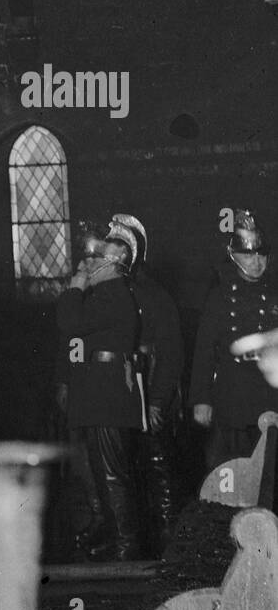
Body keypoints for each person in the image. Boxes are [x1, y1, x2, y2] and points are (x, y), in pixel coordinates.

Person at [56, 217, 145, 560]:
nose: (88, 263)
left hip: (108, 397)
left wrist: (76, 284)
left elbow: (69, 322)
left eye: (95, 259)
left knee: (111, 475)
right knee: (102, 472)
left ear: (116, 260)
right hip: (98, 395)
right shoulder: (105, 295)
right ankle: (116, 538)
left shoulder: (114, 295)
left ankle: (128, 547)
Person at [109, 214, 183, 555]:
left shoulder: (156, 297)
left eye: (121, 250)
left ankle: (168, 540)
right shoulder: (108, 293)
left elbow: (170, 355)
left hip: (151, 395)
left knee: (159, 468)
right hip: (121, 401)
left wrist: (156, 402)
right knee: (127, 471)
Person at [189, 210, 278, 470]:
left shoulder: (274, 294)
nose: (256, 261)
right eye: (248, 255)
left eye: (261, 254)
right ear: (233, 256)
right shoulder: (220, 297)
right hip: (232, 399)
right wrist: (201, 399)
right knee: (227, 472)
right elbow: (204, 349)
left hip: (269, 397)